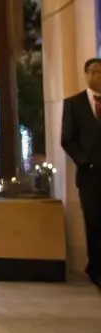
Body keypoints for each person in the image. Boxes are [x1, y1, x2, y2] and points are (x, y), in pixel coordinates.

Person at [61, 57, 101, 287]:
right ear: (86, 74)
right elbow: (67, 138)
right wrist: (84, 161)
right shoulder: (74, 104)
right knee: (93, 221)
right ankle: (95, 268)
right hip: (89, 175)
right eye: (93, 71)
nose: (97, 76)